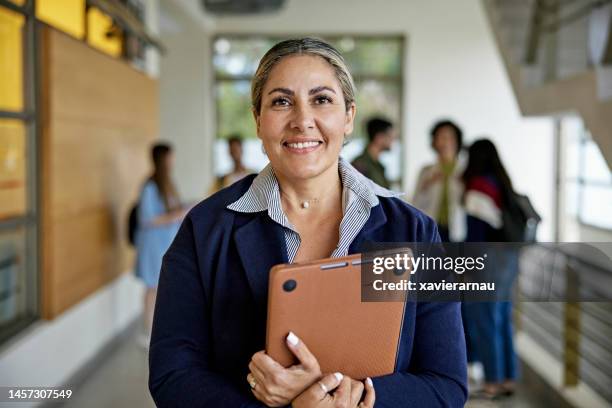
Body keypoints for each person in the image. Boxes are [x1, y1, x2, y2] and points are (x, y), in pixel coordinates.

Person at [149, 38, 467, 407]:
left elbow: (446, 385)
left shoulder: (414, 233)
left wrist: (358, 397)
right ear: (257, 119)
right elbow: (173, 375)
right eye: (281, 101)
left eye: (321, 100)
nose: (302, 121)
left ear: (349, 116)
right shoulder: (205, 230)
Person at [461, 139, 519, 399]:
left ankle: (492, 382)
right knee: (502, 318)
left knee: (485, 320)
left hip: (487, 259)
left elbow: (476, 234)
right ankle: (508, 378)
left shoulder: (478, 186)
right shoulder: (501, 182)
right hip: (508, 258)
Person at [133, 143, 187, 346]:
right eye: (170, 157)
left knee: (160, 287)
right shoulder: (150, 186)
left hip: (164, 243)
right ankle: (148, 333)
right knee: (152, 288)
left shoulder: (166, 184)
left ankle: (156, 330)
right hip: (153, 245)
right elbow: (148, 218)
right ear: (163, 159)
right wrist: (177, 215)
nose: (173, 161)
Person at [412, 120, 466, 242]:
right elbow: (415, 204)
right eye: (441, 137)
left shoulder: (465, 170)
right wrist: (427, 184)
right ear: (434, 142)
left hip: (458, 230)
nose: (445, 142)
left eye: (450, 137)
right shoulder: (426, 171)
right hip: (432, 228)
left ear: (457, 141)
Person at [350, 117, 395, 189]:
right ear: (379, 137)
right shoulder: (360, 165)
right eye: (390, 136)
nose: (393, 140)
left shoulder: (379, 166)